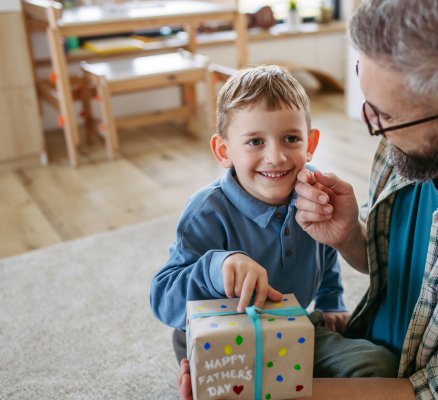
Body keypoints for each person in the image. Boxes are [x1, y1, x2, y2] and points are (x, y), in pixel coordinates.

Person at [173, 0, 438, 398]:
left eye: (385, 115)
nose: (370, 123)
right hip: (382, 356)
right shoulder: (416, 138)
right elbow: (406, 270)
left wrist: (264, 389)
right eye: (367, 96)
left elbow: (435, 393)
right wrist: (349, 238)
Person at [150, 65, 400, 395]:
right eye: (255, 141)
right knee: (232, 389)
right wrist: (216, 268)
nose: (276, 156)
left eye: (291, 139)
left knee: (380, 368)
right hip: (221, 333)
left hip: (293, 325)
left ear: (310, 143)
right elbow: (162, 298)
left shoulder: (312, 193)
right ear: (224, 151)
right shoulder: (207, 210)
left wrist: (332, 301)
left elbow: (326, 254)